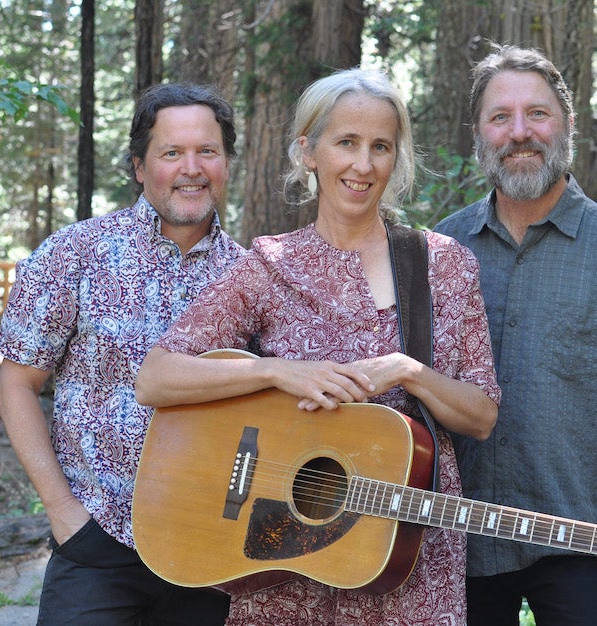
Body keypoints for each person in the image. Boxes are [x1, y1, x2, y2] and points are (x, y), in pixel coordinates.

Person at [135, 68, 501, 625]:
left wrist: (408, 370)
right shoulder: (268, 264)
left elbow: (481, 416)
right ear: (308, 151)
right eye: (346, 143)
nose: (363, 165)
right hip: (284, 571)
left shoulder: (442, 264)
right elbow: (156, 378)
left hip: (407, 567)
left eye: (381, 146)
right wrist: (277, 372)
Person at [434, 44, 597, 625]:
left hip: (584, 545)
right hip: (460, 538)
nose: (520, 133)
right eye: (501, 117)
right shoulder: (442, 249)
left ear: (567, 124)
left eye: (537, 114)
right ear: (479, 133)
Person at [0, 83, 246, 625]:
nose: (192, 168)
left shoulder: (250, 277)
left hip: (208, 551)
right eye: (171, 153)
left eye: (208, 151)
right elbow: (16, 385)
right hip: (97, 539)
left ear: (226, 162)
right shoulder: (74, 254)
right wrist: (64, 515)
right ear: (138, 166)